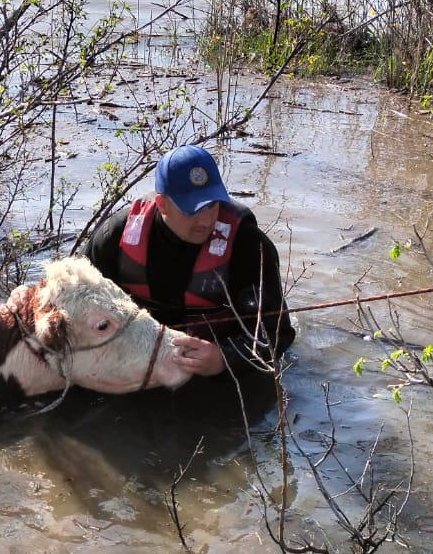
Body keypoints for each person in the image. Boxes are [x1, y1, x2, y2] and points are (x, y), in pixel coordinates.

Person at [86, 144, 295, 378]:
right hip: (136, 359)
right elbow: (78, 313)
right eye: (193, 210)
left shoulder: (249, 246)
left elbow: (278, 334)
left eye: (213, 205)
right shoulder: (115, 236)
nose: (207, 220)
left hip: (217, 373)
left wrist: (224, 358)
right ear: (162, 204)